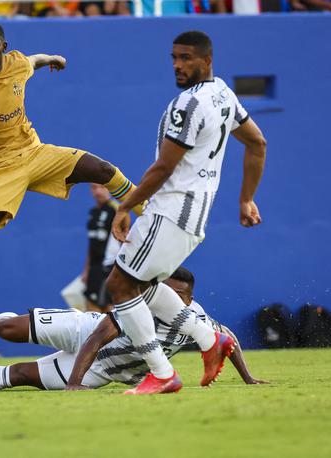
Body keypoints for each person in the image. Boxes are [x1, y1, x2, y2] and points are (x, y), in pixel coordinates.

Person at [0, 20, 146, 366]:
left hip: (34, 154)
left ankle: (148, 210)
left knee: (102, 170)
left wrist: (51, 59)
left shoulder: (17, 62)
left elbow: (32, 60)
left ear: (3, 46)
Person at [93, 30, 267, 394]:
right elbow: (256, 142)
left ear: (206, 60)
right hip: (192, 216)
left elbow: (163, 168)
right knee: (143, 284)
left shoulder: (188, 105)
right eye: (174, 57)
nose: (177, 65)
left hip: (171, 211)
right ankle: (209, 339)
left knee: (119, 286)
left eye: (186, 58)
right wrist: (245, 199)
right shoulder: (223, 93)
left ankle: (161, 373)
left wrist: (123, 205)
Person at [0, 267, 268, 391]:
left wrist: (248, 379)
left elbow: (227, 342)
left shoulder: (195, 319)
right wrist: (73, 382)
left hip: (102, 370)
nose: (160, 293)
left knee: (21, 375)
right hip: (85, 330)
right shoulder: (137, 305)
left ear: (185, 296)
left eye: (171, 290)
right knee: (11, 331)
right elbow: (96, 337)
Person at [81, 184, 120, 312]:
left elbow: (125, 240)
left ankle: (112, 331)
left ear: (109, 188)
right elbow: (92, 244)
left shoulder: (116, 210)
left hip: (109, 266)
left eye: (102, 187)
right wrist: (86, 270)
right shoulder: (93, 213)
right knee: (90, 306)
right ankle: (92, 331)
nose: (97, 191)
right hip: (94, 268)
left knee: (108, 307)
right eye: (94, 187)